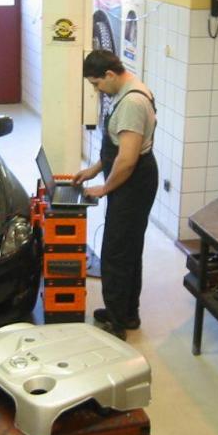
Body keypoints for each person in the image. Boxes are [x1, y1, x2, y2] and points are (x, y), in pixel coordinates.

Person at [75, 50, 158, 339]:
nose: (97, 89)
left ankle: (118, 321)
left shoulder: (132, 102)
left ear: (110, 74)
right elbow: (117, 147)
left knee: (116, 251)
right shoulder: (127, 89)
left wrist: (104, 187)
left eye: (97, 83)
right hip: (131, 180)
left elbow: (127, 159)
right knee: (128, 248)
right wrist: (94, 170)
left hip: (133, 183)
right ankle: (127, 313)